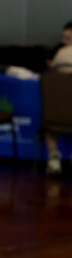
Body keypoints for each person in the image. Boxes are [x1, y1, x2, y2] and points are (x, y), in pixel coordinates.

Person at [44, 30, 72, 174]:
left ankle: (54, 156)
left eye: (67, 38)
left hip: (54, 118)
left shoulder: (61, 53)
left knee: (49, 124)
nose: (64, 41)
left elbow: (51, 72)